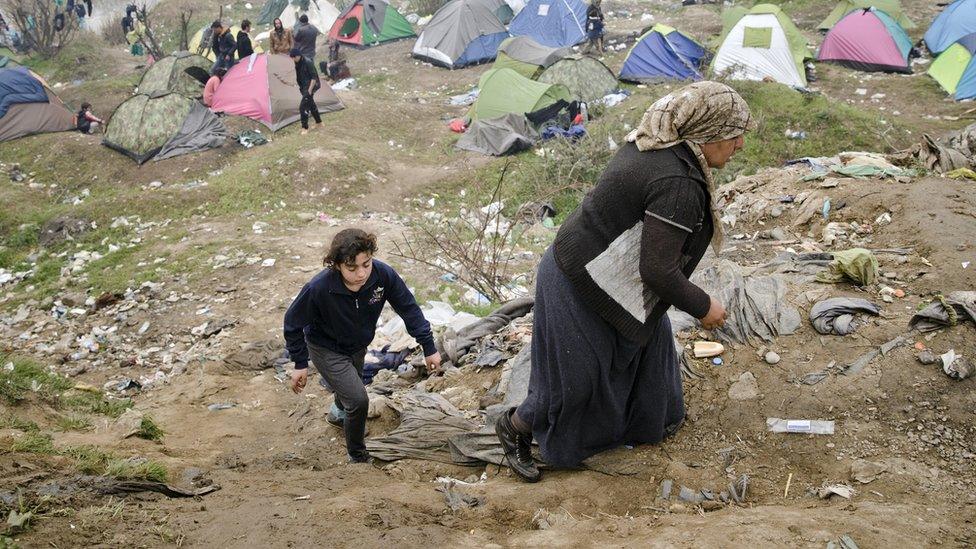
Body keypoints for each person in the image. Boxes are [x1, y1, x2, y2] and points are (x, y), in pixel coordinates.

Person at [495, 81, 752, 482]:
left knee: (651, 356)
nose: (738, 146)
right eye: (733, 136)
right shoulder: (677, 183)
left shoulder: (658, 144)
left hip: (617, 277)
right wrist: (703, 306)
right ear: (707, 133)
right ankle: (515, 428)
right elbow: (658, 271)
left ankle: (643, 427)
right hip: (578, 279)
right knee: (574, 381)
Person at [284, 229, 443, 463]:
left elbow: (408, 308)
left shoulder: (382, 276)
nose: (361, 274)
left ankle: (338, 415)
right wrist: (299, 363)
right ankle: (357, 455)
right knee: (358, 400)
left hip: (358, 345)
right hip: (325, 348)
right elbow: (292, 322)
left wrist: (429, 347)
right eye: (352, 268)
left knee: (351, 388)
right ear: (337, 265)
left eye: (366, 264)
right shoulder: (319, 288)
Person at [290, 47, 322, 135]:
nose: (293, 59)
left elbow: (314, 78)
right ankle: (319, 123)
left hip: (311, 86)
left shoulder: (308, 62)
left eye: (293, 57)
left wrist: (309, 91)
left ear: (298, 56)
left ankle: (305, 128)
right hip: (304, 86)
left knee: (303, 107)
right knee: (311, 104)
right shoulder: (297, 62)